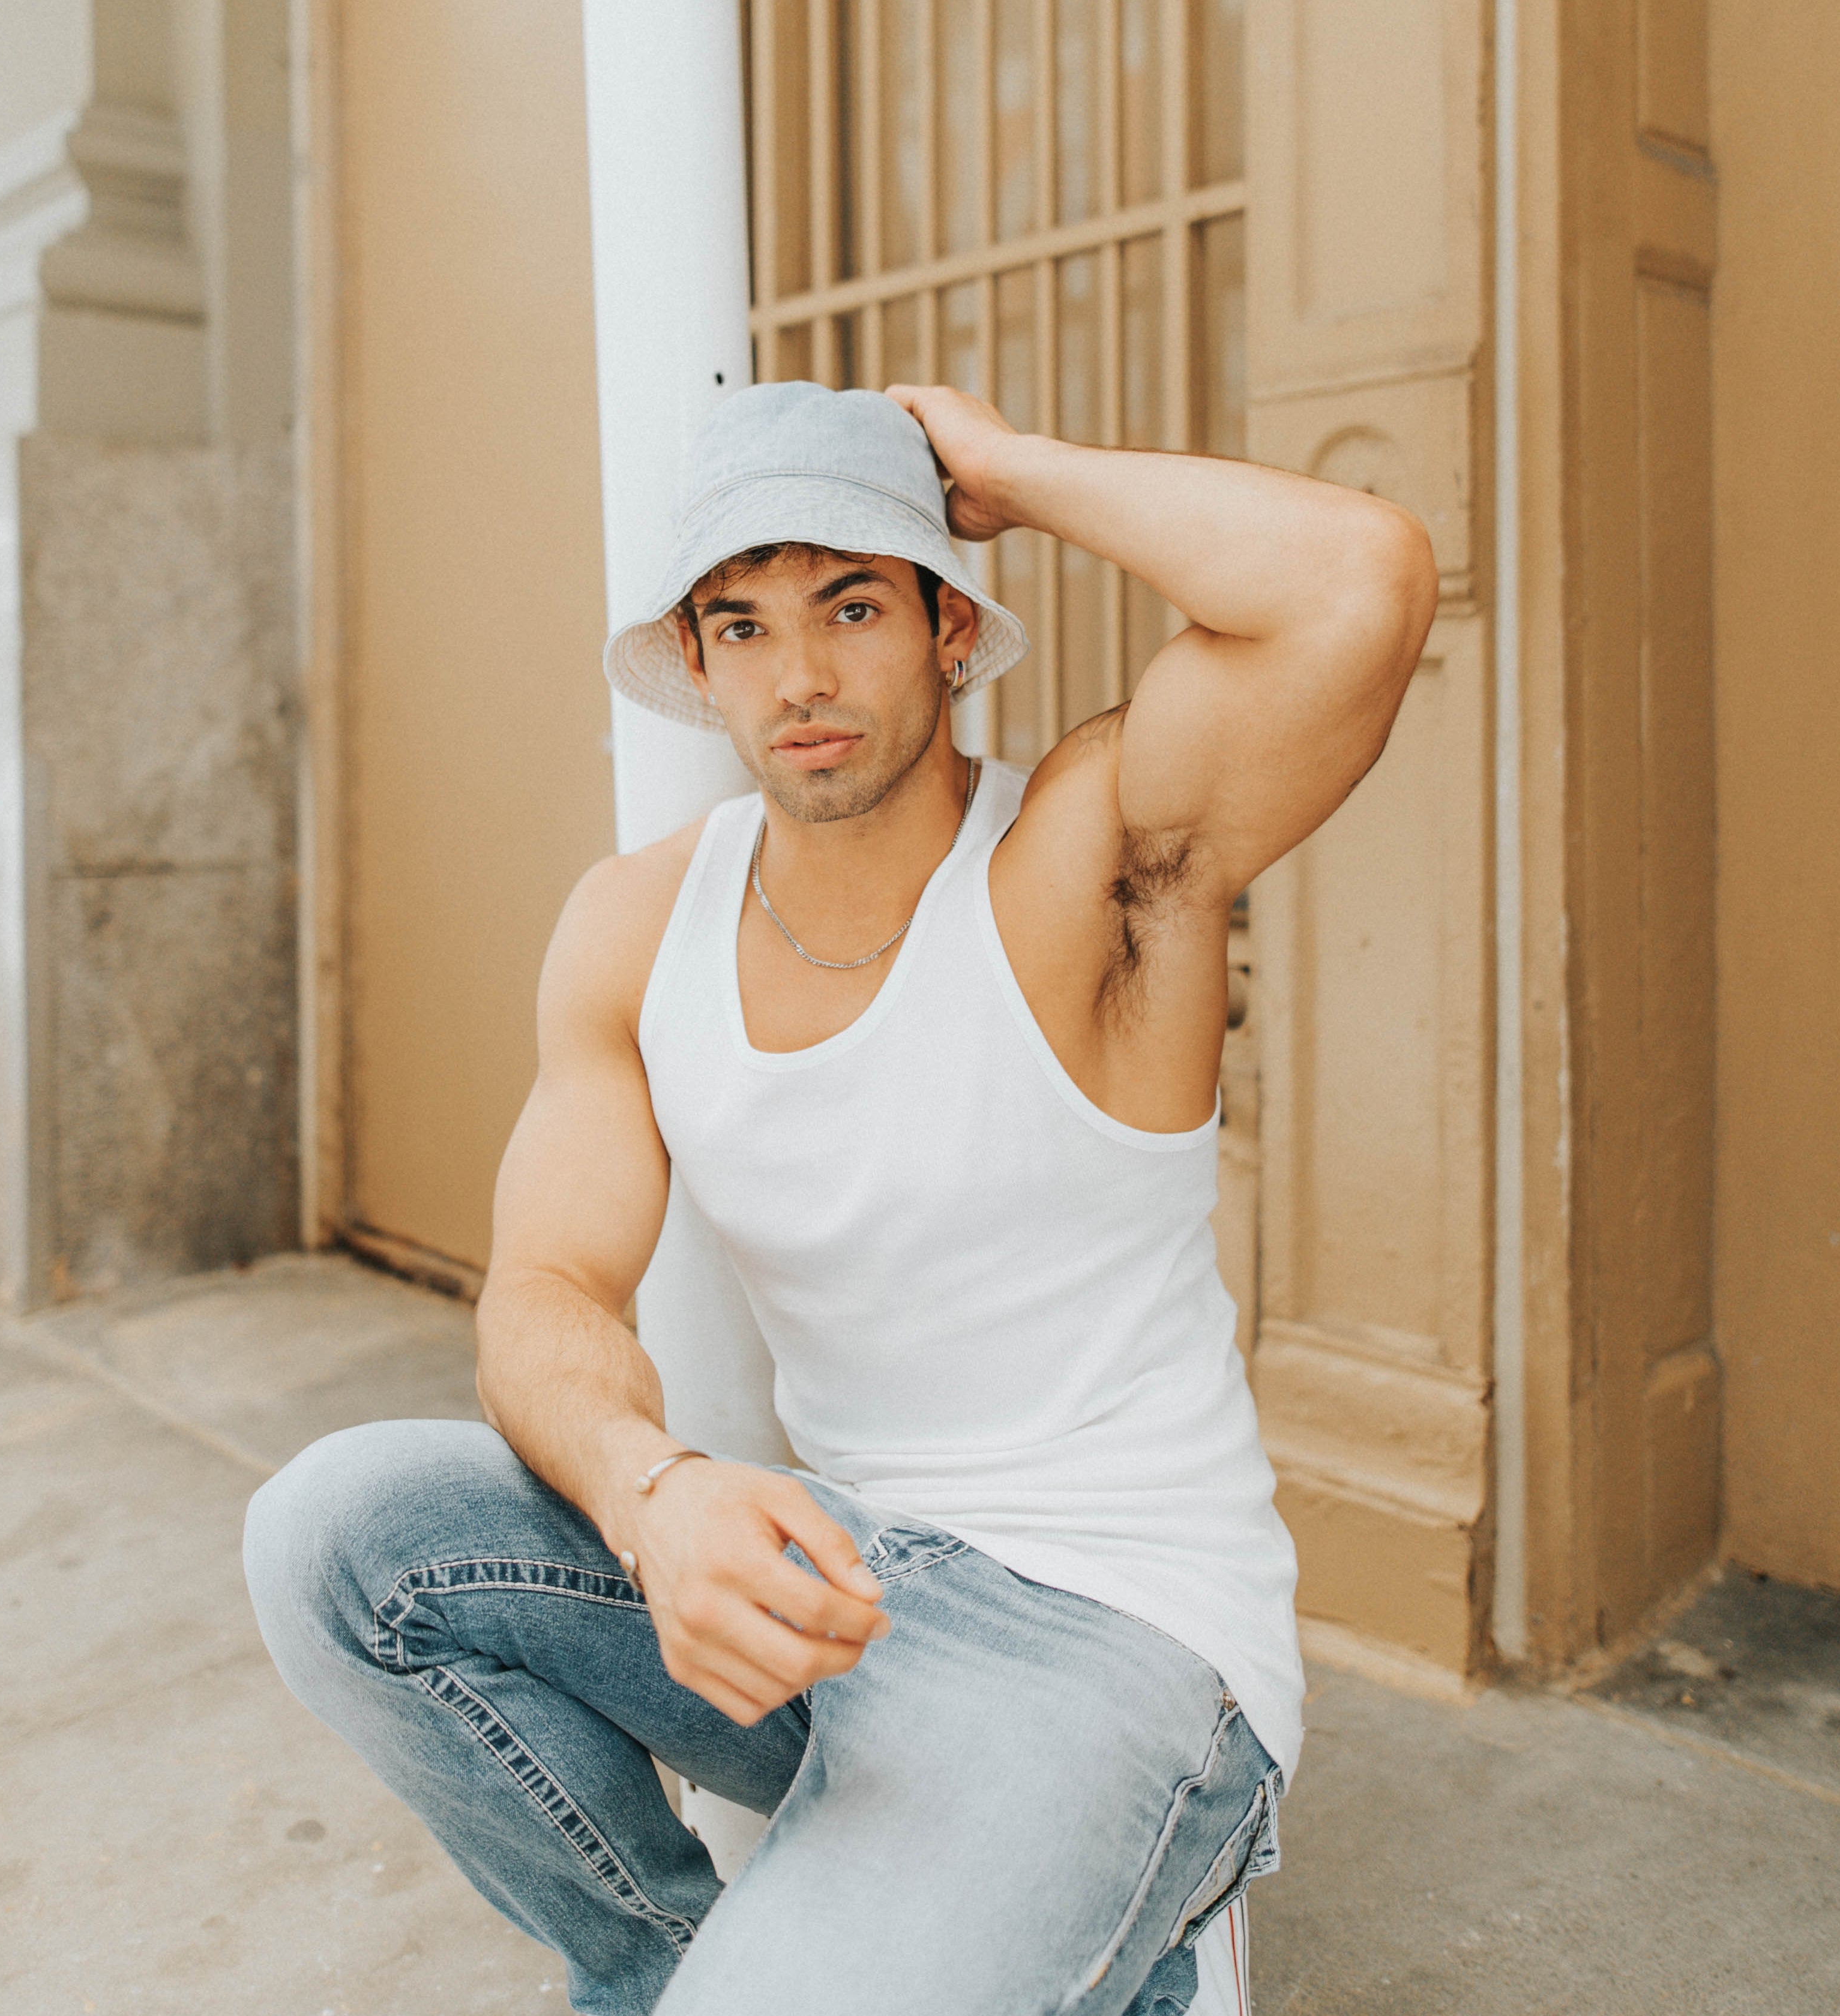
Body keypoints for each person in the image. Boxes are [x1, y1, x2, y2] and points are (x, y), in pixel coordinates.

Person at [244, 379, 1436, 2016]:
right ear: (697, 664)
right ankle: (678, 1972)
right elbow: (542, 1297)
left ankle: (1154, 1895)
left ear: (954, 626)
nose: (798, 678)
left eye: (852, 605)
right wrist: (652, 1497)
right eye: (741, 626)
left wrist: (1000, 470)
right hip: (851, 1585)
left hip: (1110, 1638)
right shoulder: (635, 927)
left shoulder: (1088, 859)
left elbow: (1362, 580)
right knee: (336, 1536)